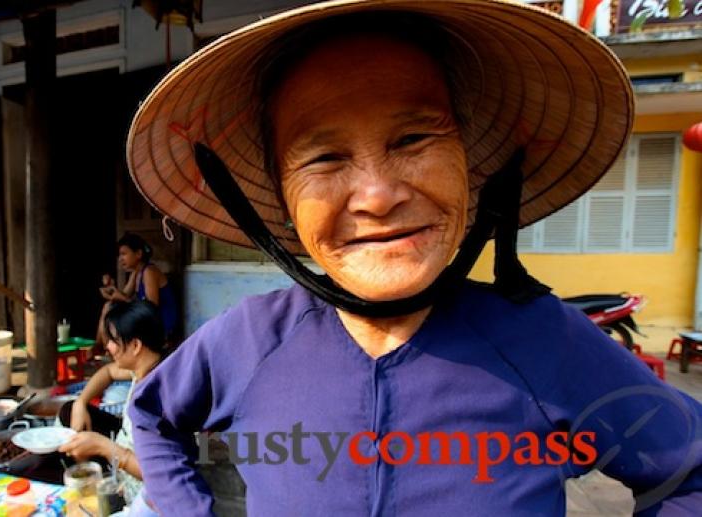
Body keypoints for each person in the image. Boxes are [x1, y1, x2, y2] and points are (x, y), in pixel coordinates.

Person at [123, 2, 702, 516]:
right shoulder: (250, 339)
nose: (377, 196)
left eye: (413, 140)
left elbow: (690, 469)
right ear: (279, 200)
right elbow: (151, 416)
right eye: (324, 157)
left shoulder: (542, 340)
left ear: (472, 169)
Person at [60, 300, 166, 515]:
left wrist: (103, 447)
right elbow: (108, 372)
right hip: (122, 462)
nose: (108, 347)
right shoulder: (144, 368)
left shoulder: (161, 396)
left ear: (135, 346)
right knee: (69, 410)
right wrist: (81, 402)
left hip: (150, 498)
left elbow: (163, 475)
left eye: (114, 341)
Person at [96, 233, 178, 342]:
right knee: (109, 306)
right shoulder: (136, 273)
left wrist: (123, 299)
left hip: (161, 325)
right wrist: (110, 287)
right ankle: (101, 347)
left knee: (111, 309)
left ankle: (102, 348)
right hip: (147, 321)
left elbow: (151, 308)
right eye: (119, 255)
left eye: (124, 254)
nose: (120, 259)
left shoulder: (149, 272)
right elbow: (124, 294)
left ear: (138, 254)